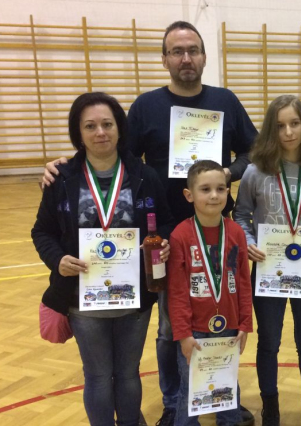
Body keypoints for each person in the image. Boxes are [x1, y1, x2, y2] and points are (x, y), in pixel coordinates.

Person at [41, 21, 258, 426]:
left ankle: (220, 395)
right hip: (161, 239)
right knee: (170, 330)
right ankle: (176, 401)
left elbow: (254, 149)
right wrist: (64, 165)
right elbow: (111, 155)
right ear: (164, 59)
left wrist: (226, 173)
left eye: (193, 50)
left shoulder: (225, 100)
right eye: (177, 51)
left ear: (204, 56)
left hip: (214, 231)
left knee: (221, 320)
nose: (186, 58)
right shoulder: (146, 106)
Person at [32, 92, 173, 426]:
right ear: (78, 133)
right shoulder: (61, 178)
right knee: (97, 376)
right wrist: (58, 259)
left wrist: (165, 243)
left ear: (119, 128)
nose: (100, 133)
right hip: (83, 297)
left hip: (134, 298)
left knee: (127, 374)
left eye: (107, 124)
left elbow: (166, 222)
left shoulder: (144, 175)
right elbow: (42, 231)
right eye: (90, 126)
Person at [233, 95, 301, 426]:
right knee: (269, 343)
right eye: (279, 126)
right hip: (267, 271)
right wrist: (248, 242)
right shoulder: (255, 172)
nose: (288, 132)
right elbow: (241, 216)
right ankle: (271, 409)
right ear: (269, 130)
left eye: (294, 123)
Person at [167, 160, 253, 426]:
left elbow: (243, 282)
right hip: (194, 331)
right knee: (191, 389)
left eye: (221, 188)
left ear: (228, 191)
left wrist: (245, 324)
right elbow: (177, 291)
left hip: (229, 327)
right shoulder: (181, 235)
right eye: (205, 189)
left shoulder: (235, 232)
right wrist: (183, 333)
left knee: (227, 386)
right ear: (189, 195)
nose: (214, 195)